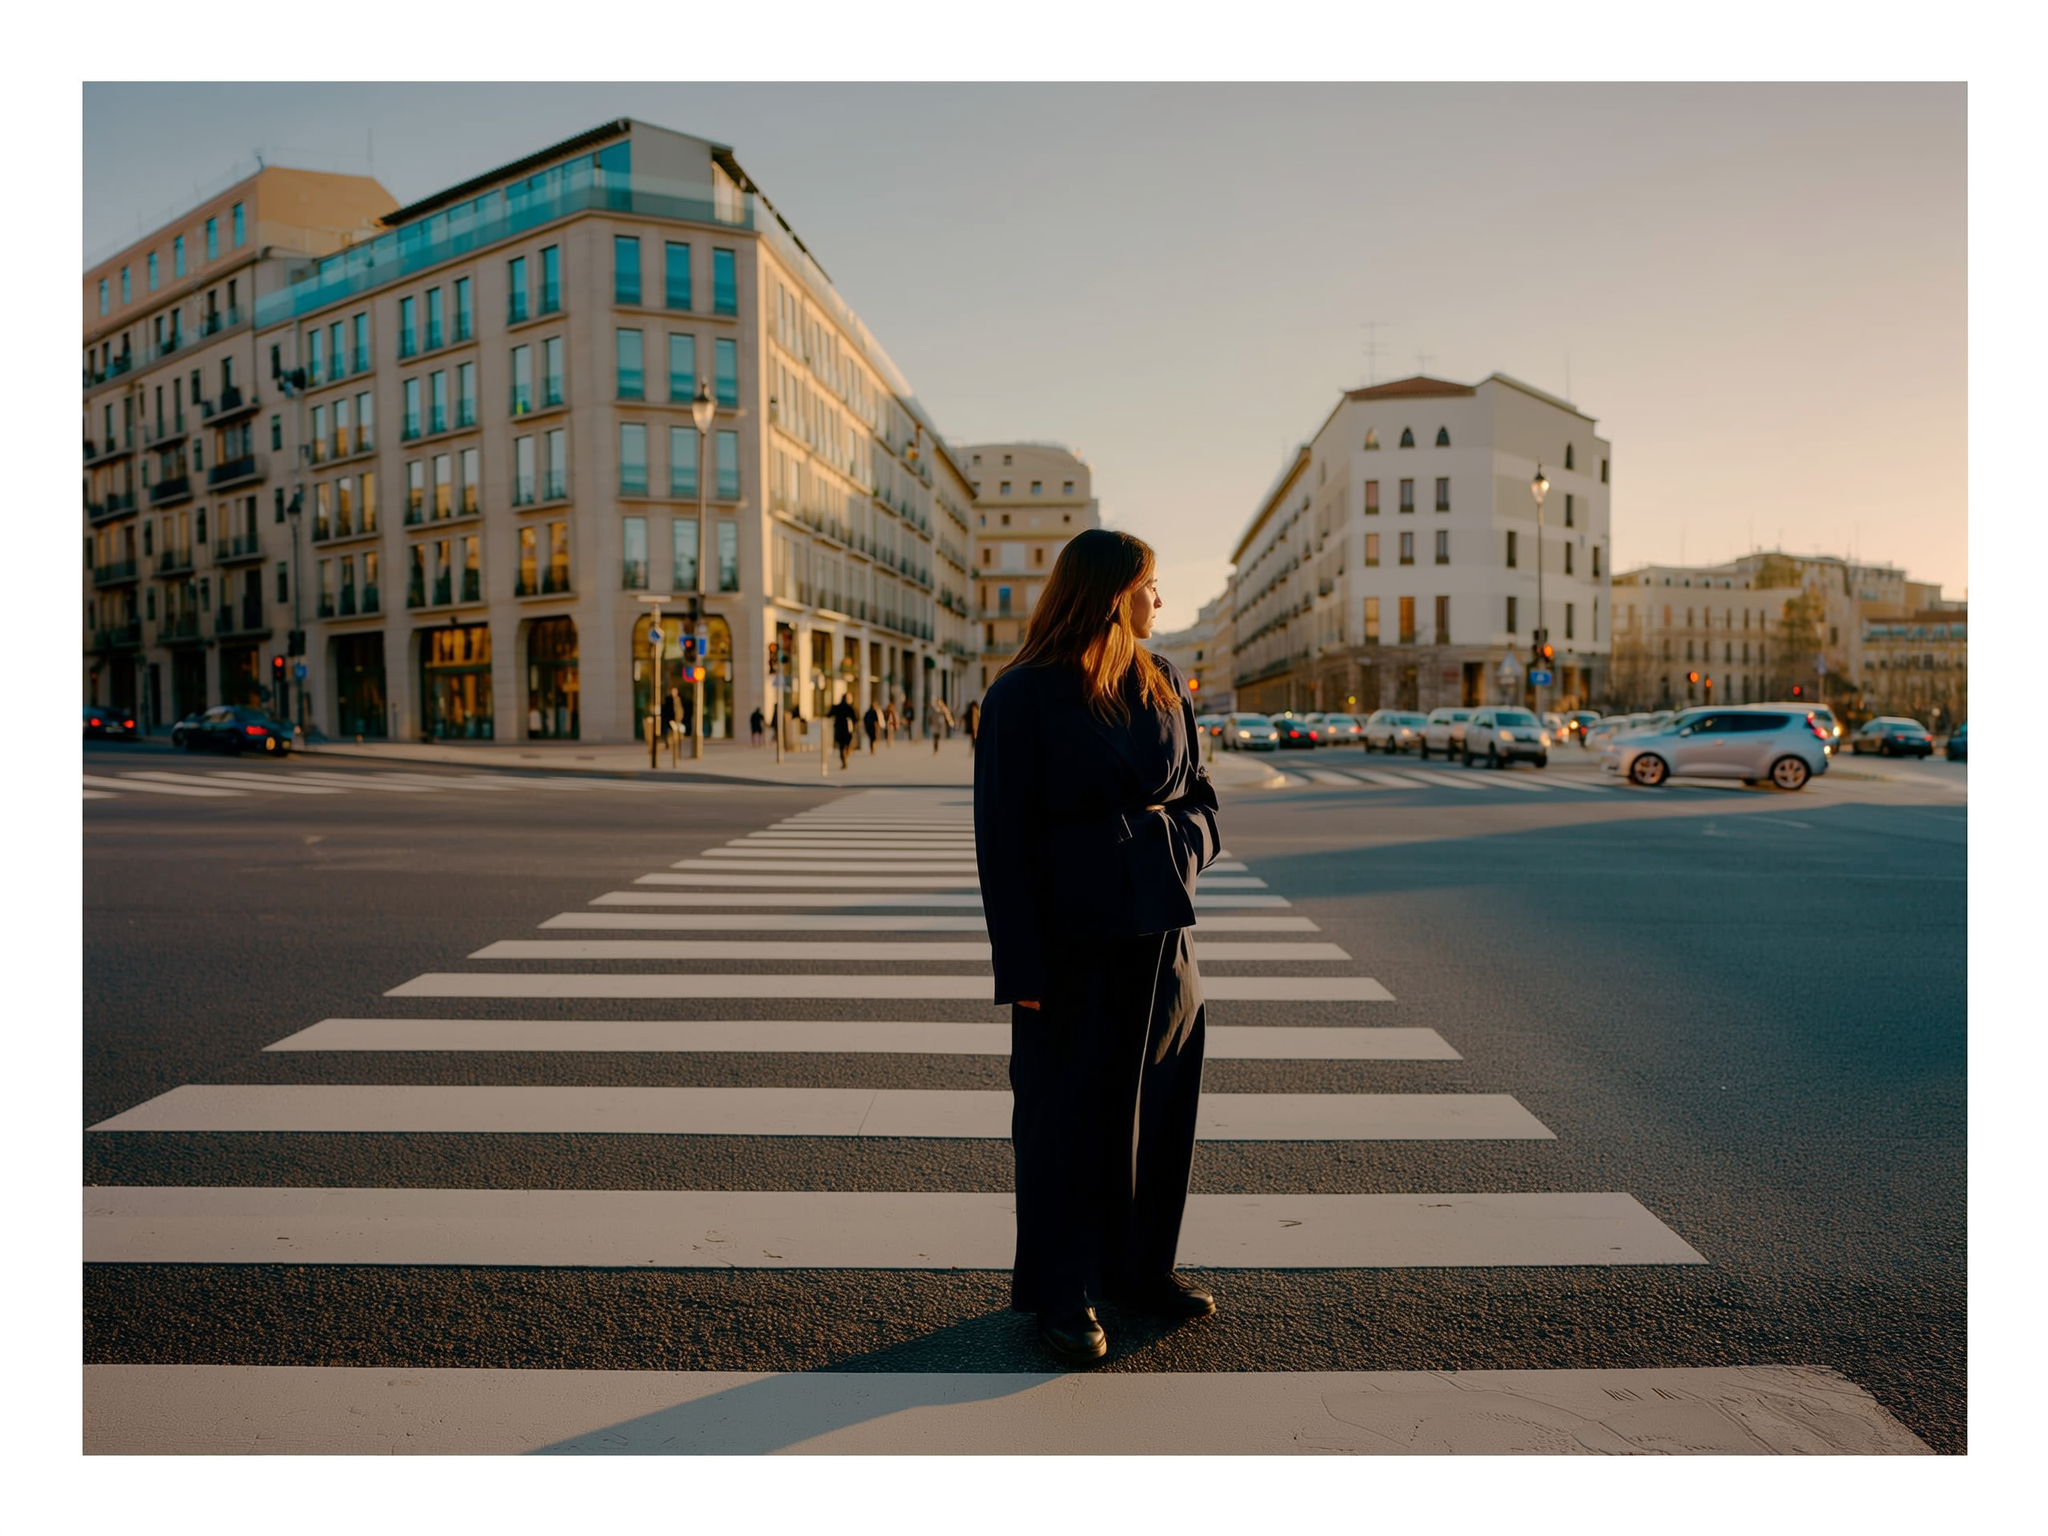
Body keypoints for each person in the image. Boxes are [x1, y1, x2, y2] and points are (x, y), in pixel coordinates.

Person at [973, 527, 1221, 1368]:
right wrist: (1021, 966)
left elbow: (1204, 801)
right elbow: (1000, 844)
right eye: (1152, 585)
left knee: (1160, 1112)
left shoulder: (1163, 683)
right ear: (1116, 593)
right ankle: (1063, 1289)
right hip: (1070, 942)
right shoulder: (1022, 695)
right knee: (1066, 1121)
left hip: (1164, 937)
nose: (1161, 601)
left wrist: (1174, 848)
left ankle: (1141, 1268)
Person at [830, 691, 859, 769]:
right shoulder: (848, 708)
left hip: (839, 729)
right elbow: (855, 718)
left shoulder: (837, 707)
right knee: (847, 744)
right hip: (847, 729)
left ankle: (843, 759)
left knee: (841, 746)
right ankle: (845, 757)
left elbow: (829, 714)